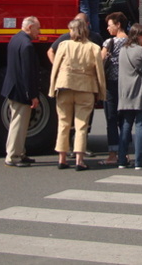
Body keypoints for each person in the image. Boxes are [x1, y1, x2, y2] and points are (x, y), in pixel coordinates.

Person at [49, 18, 105, 171]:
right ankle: (79, 159)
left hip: (64, 86)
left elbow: (56, 68)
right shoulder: (94, 48)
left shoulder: (63, 45)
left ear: (72, 31)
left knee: (63, 123)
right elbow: (99, 72)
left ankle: (62, 159)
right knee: (82, 125)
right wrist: (101, 92)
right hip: (86, 88)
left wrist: (52, 87)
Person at [1, 16, 42, 167]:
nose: (39, 32)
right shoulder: (27, 46)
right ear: (30, 27)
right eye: (37, 28)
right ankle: (13, 156)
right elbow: (28, 73)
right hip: (21, 90)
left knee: (17, 123)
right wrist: (32, 95)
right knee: (19, 124)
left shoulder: (15, 39)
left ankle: (20, 152)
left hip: (12, 87)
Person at [117, 23, 142, 169]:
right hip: (140, 92)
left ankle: (122, 160)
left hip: (125, 93)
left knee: (126, 126)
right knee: (140, 127)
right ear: (139, 35)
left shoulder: (123, 50)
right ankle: (139, 161)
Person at [100, 12, 128, 165]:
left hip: (111, 84)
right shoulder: (132, 42)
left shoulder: (109, 42)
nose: (107, 28)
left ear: (118, 25)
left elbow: (100, 60)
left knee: (111, 119)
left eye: (110, 25)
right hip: (127, 85)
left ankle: (112, 154)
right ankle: (125, 153)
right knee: (124, 119)